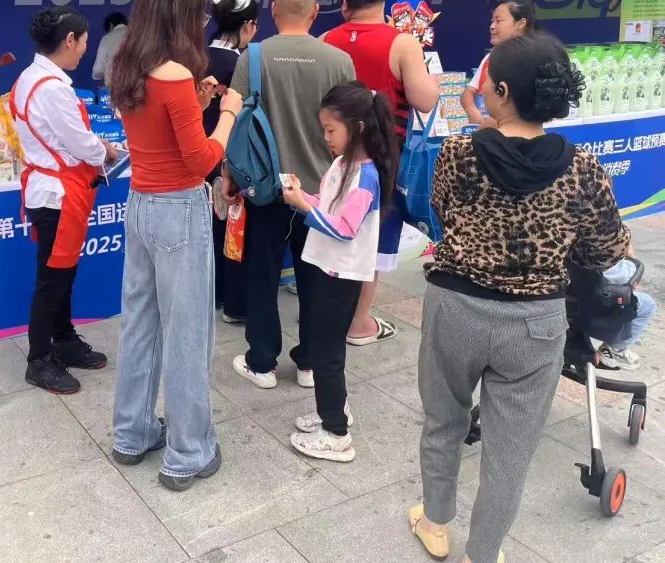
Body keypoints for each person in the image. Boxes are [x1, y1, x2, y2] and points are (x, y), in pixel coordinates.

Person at [410, 32, 631, 563]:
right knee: (510, 451)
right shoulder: (583, 169)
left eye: (487, 83)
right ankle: (483, 553)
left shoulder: (459, 153)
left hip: (456, 307)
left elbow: (442, 213)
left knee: (444, 422)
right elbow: (606, 250)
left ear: (503, 91)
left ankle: (435, 523)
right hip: (535, 323)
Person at [110, 0, 243, 492]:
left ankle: (132, 432)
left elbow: (159, 135)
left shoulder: (127, 66)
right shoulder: (176, 75)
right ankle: (188, 451)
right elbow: (201, 160)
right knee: (187, 332)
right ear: (185, 12)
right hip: (179, 210)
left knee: (139, 322)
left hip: (140, 204)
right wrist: (227, 111)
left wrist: (199, 102)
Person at [223, 0, 356, 391]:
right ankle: (309, 363)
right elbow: (351, 129)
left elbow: (235, 125)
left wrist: (228, 175)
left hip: (264, 190)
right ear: (315, 12)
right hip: (320, 192)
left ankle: (262, 362)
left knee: (261, 276)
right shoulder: (339, 61)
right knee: (314, 279)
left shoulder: (252, 58)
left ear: (274, 11)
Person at [322, 0, 439, 347]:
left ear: (344, 3)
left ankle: (326, 311)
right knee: (372, 237)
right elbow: (425, 100)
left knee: (334, 228)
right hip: (382, 159)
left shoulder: (326, 40)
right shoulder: (402, 43)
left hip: (333, 156)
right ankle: (358, 323)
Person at [281, 82, 399, 462]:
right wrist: (304, 196)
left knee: (326, 352)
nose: (326, 138)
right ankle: (333, 410)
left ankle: (336, 433)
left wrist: (303, 206)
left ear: (358, 127)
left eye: (331, 130)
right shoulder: (343, 164)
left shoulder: (366, 176)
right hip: (327, 266)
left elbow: (345, 229)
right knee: (321, 344)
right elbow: (328, 206)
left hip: (341, 274)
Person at [10, 6, 119, 395]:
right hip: (56, 195)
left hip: (55, 190)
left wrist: (94, 146)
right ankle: (39, 359)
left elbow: (66, 139)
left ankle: (64, 339)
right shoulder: (52, 88)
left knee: (63, 273)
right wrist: (107, 149)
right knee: (53, 279)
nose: (86, 50)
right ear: (69, 40)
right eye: (85, 42)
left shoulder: (32, 76)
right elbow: (80, 144)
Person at [204, 0, 259, 323]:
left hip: (199, 159)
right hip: (230, 160)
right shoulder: (243, 64)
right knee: (234, 229)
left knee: (208, 230)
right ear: (248, 26)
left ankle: (211, 292)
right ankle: (234, 301)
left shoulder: (196, 57)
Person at [462, 0, 538, 128]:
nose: (492, 26)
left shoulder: (534, 59)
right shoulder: (490, 58)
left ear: (521, 24)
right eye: (492, 21)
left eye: (498, 21)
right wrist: (473, 111)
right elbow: (468, 93)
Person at [591, 257, 657, 370]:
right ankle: (616, 350)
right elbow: (627, 274)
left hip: (566, 304)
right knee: (647, 303)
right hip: (592, 313)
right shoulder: (602, 253)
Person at [91, 12, 128, 87]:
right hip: (138, 89)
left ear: (111, 25)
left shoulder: (107, 38)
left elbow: (98, 70)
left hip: (115, 88)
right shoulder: (138, 37)